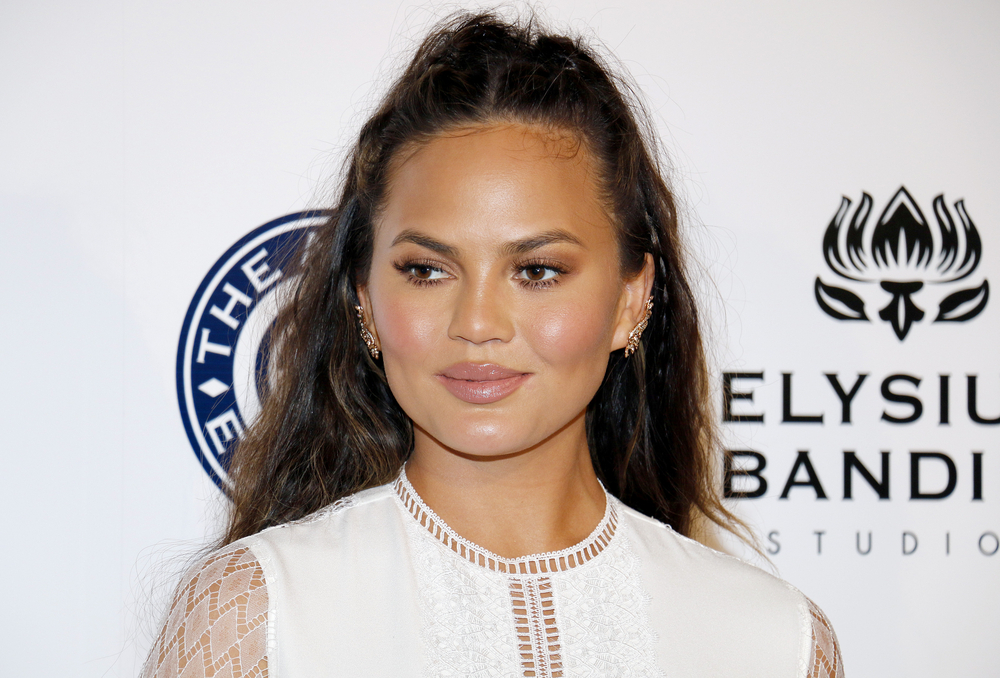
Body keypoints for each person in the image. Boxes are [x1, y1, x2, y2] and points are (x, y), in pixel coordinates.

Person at [144, 12, 843, 678]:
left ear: (632, 298)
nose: (476, 323)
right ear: (363, 296)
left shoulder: (772, 641)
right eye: (427, 270)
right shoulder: (260, 617)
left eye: (537, 271)